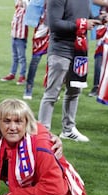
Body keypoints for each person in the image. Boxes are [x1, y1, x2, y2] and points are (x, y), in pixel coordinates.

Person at [37, 0, 102, 142]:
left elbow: (88, 18)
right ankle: (43, 131)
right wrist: (82, 24)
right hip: (60, 50)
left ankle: (68, 129)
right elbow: (55, 24)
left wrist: (100, 19)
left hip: (80, 51)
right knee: (52, 93)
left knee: (75, 91)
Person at [23, 2, 49, 100]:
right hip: (41, 31)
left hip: (54, 31)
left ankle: (50, 88)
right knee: (35, 61)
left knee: (52, 62)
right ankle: (28, 88)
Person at [0, 0, 29, 85]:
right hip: (14, 35)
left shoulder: (26, 10)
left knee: (21, 57)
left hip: (21, 36)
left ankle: (22, 76)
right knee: (15, 56)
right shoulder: (17, 8)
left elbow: (27, 4)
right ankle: (12, 73)